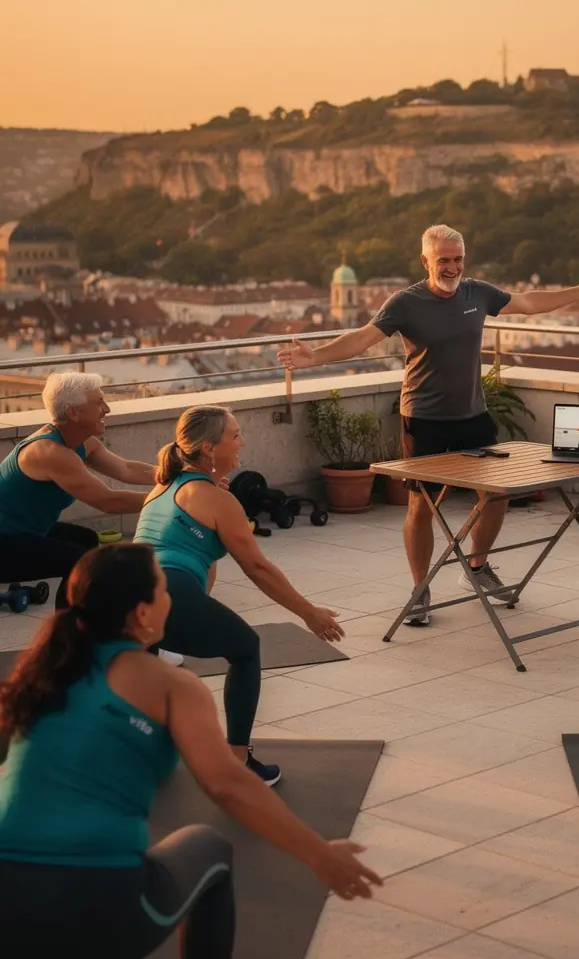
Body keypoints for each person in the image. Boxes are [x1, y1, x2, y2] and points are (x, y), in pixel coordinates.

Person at [0, 542, 381, 959]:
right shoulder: (171, 685)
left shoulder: (38, 672)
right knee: (209, 847)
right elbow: (226, 783)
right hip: (99, 896)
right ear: (142, 613)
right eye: (165, 590)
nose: (171, 600)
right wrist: (319, 854)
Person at [278, 223, 579, 626]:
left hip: (472, 415)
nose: (452, 267)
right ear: (426, 261)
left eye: (458, 259)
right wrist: (314, 357)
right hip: (424, 420)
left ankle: (475, 568)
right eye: (444, 260)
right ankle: (421, 590)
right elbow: (363, 339)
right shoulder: (405, 302)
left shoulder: (478, 293)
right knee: (422, 505)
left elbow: (526, 302)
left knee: (496, 495)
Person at [133, 405, 343, 786]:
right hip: (167, 589)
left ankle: (141, 751)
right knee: (245, 648)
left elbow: (202, 566)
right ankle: (237, 763)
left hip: (125, 591)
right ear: (210, 449)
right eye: (235, 434)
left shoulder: (164, 486)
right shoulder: (217, 500)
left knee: (149, 660)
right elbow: (257, 568)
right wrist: (308, 612)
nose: (242, 441)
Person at [0, 373, 153, 607]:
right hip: (5, 542)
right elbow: (108, 501)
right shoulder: (51, 453)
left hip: (22, 533)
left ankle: (77, 620)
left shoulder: (79, 442)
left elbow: (125, 469)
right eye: (99, 402)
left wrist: (179, 474)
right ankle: (66, 632)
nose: (107, 408)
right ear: (74, 413)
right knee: (79, 561)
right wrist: (176, 497)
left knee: (87, 541)